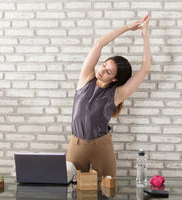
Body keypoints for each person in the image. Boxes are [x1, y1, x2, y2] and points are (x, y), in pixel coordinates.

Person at [66, 14, 151, 177]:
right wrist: (127, 27)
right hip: (76, 144)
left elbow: (145, 69)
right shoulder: (85, 78)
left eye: (108, 71)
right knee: (73, 189)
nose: (102, 70)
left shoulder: (117, 94)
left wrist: (145, 36)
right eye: (104, 65)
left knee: (107, 189)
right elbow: (99, 44)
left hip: (101, 146)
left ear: (115, 79)